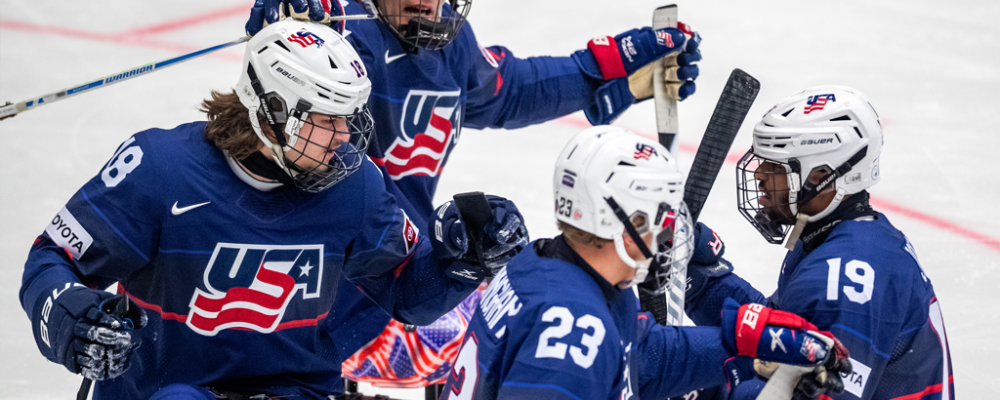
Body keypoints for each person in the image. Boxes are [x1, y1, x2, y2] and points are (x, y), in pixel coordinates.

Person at [18, 20, 527, 400]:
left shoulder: (356, 187)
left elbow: (405, 295)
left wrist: (460, 262)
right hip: (165, 389)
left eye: (350, 117)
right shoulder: (160, 169)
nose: (347, 136)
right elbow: (50, 259)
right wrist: (70, 318)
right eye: (329, 119)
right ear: (274, 112)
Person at [243, 0, 705, 390]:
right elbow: (272, 124)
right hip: (333, 308)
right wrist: (284, 34)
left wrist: (607, 72)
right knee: (541, 331)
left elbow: (506, 91)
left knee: (534, 305)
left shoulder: (448, 40)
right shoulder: (340, 38)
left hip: (409, 276)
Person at [439, 126, 852, 400]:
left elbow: (643, 355)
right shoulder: (568, 331)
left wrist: (738, 342)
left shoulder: (555, 267)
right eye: (662, 212)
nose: (674, 227)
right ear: (626, 222)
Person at [684, 86, 956, 399]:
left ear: (821, 177)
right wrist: (702, 280)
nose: (759, 174)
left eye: (776, 166)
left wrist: (702, 388)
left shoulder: (843, 281)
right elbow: (781, 340)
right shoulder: (839, 235)